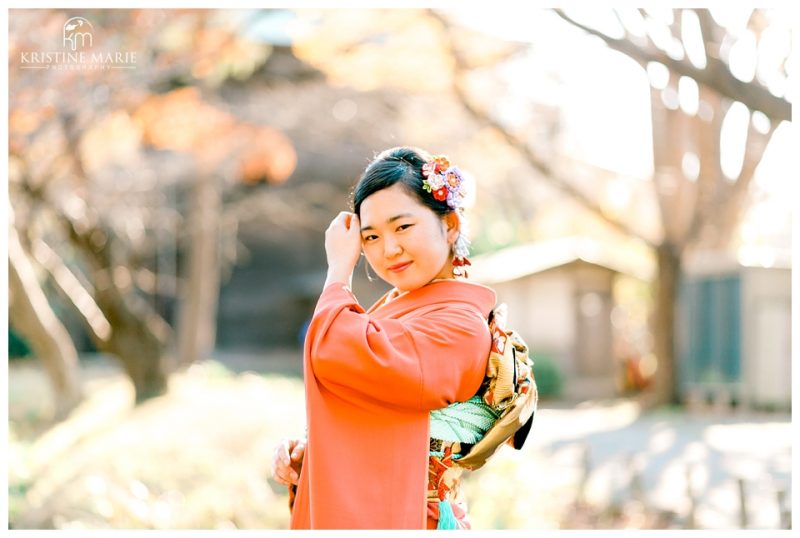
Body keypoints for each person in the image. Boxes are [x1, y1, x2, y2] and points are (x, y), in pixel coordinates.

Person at [272, 147, 497, 529]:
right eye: (371, 236)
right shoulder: (394, 313)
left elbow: (338, 354)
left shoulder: (461, 324)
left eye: (402, 227)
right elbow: (373, 413)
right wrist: (316, 454)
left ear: (450, 225)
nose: (389, 249)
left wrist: (338, 273)